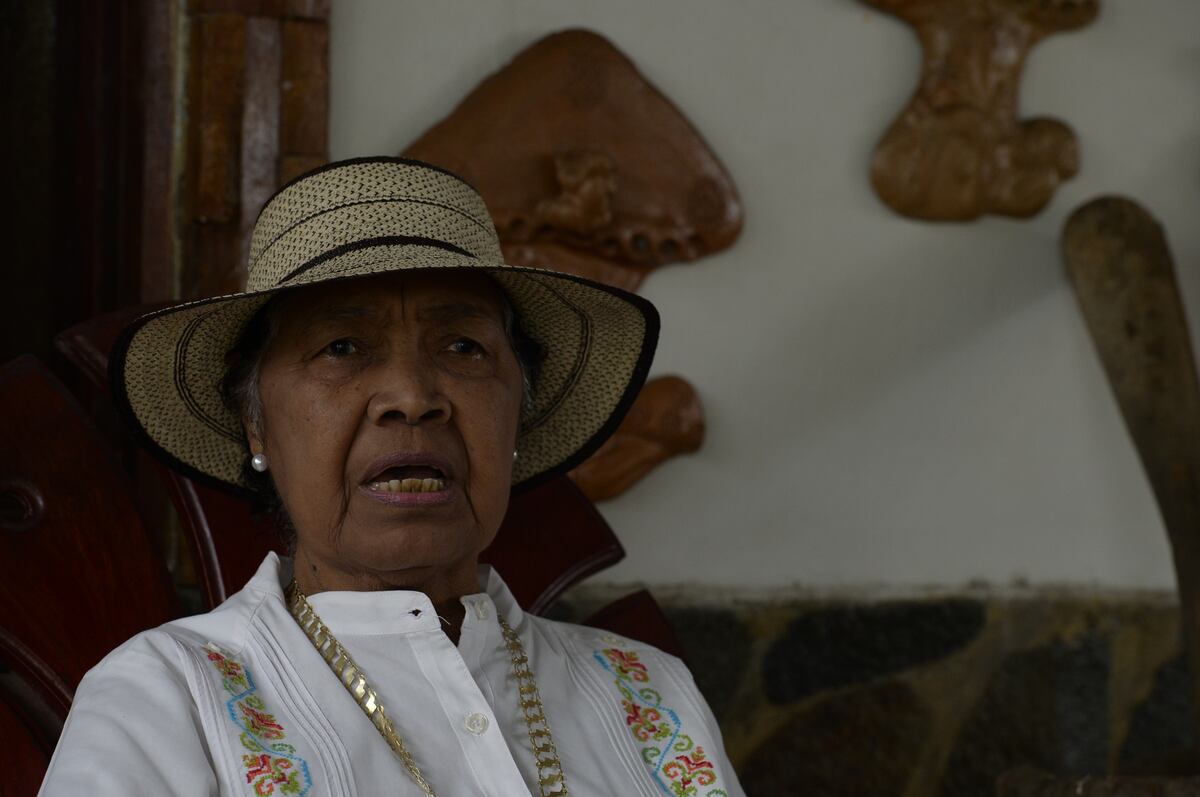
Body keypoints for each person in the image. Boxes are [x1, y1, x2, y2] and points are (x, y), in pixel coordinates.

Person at [39, 157, 744, 796]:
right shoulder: (167, 697)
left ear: (518, 419)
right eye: (341, 347)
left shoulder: (646, 693)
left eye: (464, 346)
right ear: (257, 425)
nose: (412, 394)